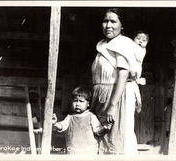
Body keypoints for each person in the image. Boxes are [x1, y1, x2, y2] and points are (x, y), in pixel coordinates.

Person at [91, 8, 143, 155]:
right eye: (105, 21)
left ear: (122, 25)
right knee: (104, 138)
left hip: (117, 97)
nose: (108, 25)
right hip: (102, 97)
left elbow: (123, 74)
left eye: (113, 21)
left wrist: (112, 105)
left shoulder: (122, 44)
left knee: (118, 138)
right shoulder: (103, 44)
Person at [52, 86, 110, 154]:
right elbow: (62, 126)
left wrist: (105, 128)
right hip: (73, 153)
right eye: (75, 101)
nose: (77, 104)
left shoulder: (91, 116)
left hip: (88, 153)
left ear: (88, 104)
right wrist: (55, 123)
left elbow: (98, 130)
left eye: (81, 101)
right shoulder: (70, 117)